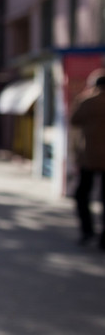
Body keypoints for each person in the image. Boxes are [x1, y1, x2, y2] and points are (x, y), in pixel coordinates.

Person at [70, 69, 105, 248]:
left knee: (82, 195)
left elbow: (74, 120)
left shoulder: (87, 101)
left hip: (89, 157)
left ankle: (87, 231)